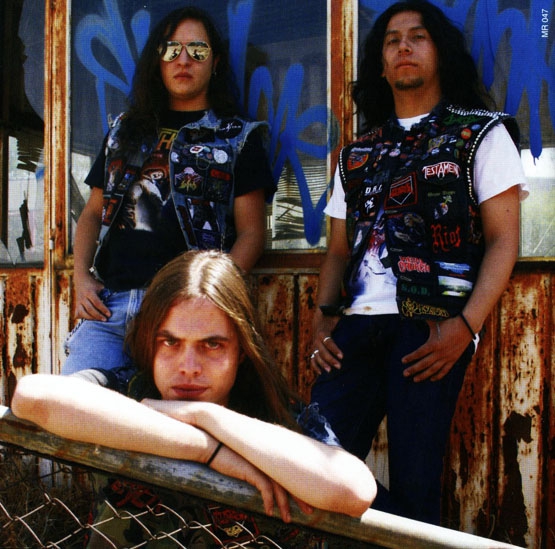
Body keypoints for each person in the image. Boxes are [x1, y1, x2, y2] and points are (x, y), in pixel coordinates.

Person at [309, 0, 528, 526]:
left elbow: (504, 242)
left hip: (431, 329)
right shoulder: (357, 153)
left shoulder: (481, 134)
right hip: (355, 326)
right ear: (382, 66)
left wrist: (465, 328)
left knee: (416, 479)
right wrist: (321, 320)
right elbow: (337, 250)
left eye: (418, 36)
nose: (403, 46)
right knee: (309, 460)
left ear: (440, 53)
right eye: (392, 40)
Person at [13, 250, 376, 547]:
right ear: (149, 342)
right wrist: (207, 450)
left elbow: (354, 490)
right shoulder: (127, 393)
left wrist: (206, 416)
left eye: (212, 345)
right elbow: (33, 396)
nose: (188, 367)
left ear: (242, 351)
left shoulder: (275, 417)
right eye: (170, 342)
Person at [63, 6, 275, 375]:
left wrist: (212, 298)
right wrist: (81, 277)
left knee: (174, 411)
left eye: (197, 50)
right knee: (73, 402)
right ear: (157, 60)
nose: (183, 60)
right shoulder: (124, 130)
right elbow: (93, 212)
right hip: (111, 308)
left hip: (185, 314)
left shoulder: (238, 138)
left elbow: (252, 233)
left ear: (215, 62)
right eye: (171, 49)